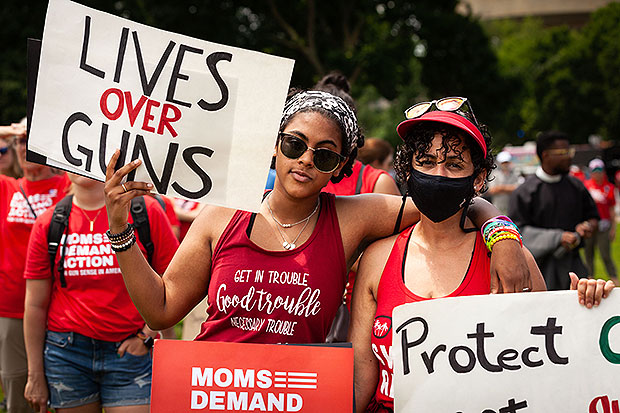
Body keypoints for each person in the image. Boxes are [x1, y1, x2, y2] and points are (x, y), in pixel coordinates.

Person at [102, 90, 530, 346]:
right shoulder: (223, 214)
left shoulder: (352, 218)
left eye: (323, 154)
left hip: (300, 395)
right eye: (294, 144)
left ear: (339, 166)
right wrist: (120, 230)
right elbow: (160, 309)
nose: (305, 160)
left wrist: (502, 235)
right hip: (216, 390)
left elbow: (446, 197)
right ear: (274, 146)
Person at [348, 97, 613, 412]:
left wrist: (586, 314)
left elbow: (546, 370)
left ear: (477, 178)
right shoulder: (378, 259)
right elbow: (361, 374)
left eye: (454, 164)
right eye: (426, 162)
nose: (439, 175)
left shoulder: (511, 262)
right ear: (408, 169)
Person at [23, 174, 179, 413]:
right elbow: (35, 305)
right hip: (66, 354)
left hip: (132, 354)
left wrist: (146, 337)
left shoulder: (145, 212)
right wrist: (35, 375)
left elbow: (173, 283)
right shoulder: (49, 222)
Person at [1, 126, 70, 413]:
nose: (25, 147)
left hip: (63, 309)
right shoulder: (7, 188)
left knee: (69, 391)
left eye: (34, 140)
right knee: (21, 392)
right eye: (21, 142)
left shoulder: (69, 185)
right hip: (13, 310)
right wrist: (8, 130)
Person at [509, 131, 600, 290]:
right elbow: (517, 232)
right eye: (562, 153)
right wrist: (557, 238)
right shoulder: (525, 192)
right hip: (540, 268)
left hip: (573, 265)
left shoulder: (576, 186)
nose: (569, 157)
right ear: (545, 155)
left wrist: (586, 226)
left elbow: (593, 217)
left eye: (569, 151)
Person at [584, 158, 618, 284]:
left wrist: (613, 228)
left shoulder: (609, 188)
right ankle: (589, 278)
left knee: (605, 254)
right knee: (588, 253)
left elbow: (612, 209)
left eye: (599, 171)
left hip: (604, 225)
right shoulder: (586, 186)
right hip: (590, 225)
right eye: (595, 171)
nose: (597, 174)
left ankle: (614, 279)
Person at [487, 150, 521, 214]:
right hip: (498, 208)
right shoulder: (495, 174)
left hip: (512, 207)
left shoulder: (515, 173)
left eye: (507, 162)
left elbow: (518, 189)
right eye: (503, 162)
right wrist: (509, 188)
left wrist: (500, 188)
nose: (505, 164)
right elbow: (491, 190)